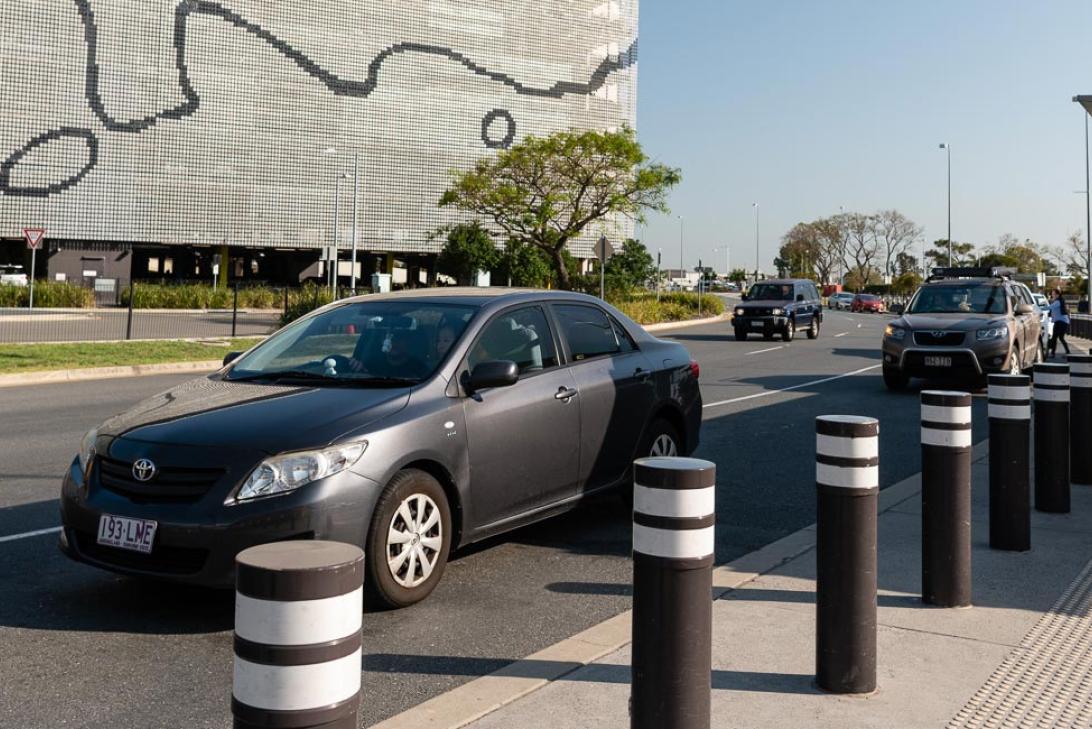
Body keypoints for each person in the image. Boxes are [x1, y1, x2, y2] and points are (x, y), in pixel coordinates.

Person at [1048, 288, 1071, 358]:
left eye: (1054, 294)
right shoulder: (1056, 301)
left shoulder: (1058, 302)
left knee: (1059, 337)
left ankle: (1054, 352)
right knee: (1056, 337)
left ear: (1058, 295)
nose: (1052, 295)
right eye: (1052, 294)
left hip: (1063, 322)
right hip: (1058, 321)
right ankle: (1053, 352)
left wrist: (1038, 309)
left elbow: (1050, 307)